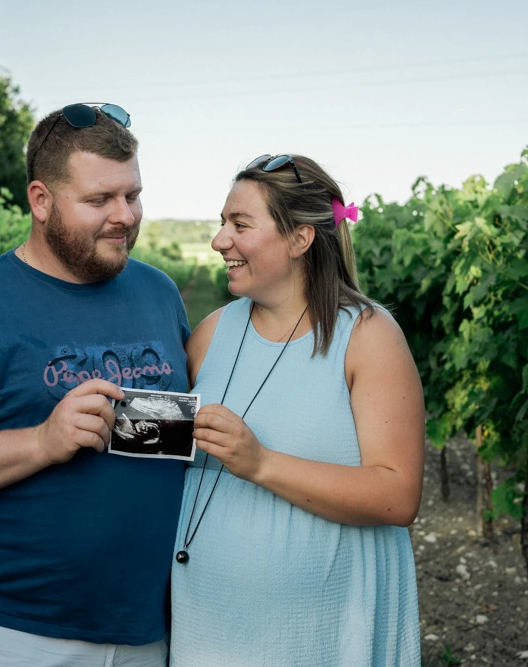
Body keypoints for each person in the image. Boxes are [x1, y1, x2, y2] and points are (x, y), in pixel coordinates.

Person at [0, 103, 190, 667]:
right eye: (99, 200)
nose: (124, 215)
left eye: (133, 195)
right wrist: (41, 441)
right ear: (41, 200)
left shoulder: (159, 293)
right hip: (14, 635)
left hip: (147, 629)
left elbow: (168, 437)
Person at [170, 154, 424, 666]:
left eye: (240, 225)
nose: (220, 240)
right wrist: (115, 419)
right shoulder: (212, 334)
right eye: (222, 223)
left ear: (299, 240)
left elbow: (398, 497)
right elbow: (174, 448)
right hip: (208, 628)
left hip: (317, 636)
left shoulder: (367, 336)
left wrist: (260, 462)